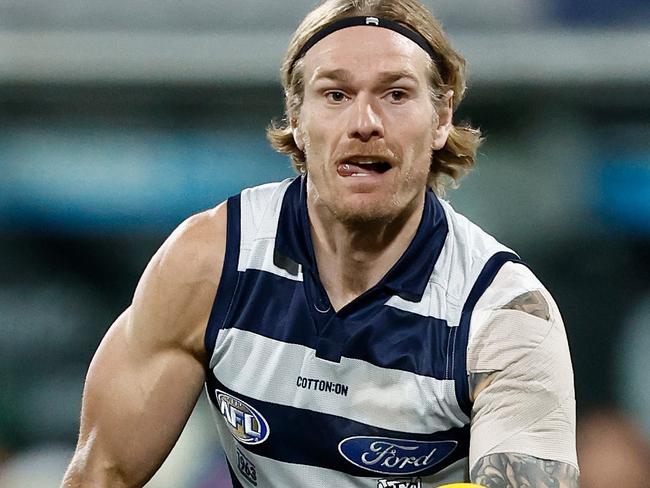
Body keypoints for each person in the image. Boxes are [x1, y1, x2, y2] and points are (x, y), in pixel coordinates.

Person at [61, 1, 579, 486]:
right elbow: (102, 471)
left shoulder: (504, 317)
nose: (365, 123)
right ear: (297, 119)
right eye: (336, 94)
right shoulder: (211, 263)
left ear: (441, 119)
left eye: (396, 94)